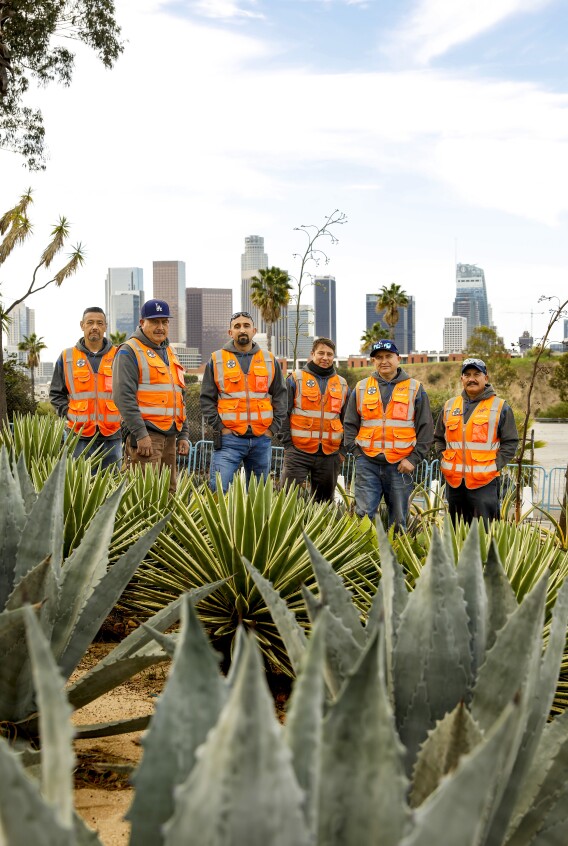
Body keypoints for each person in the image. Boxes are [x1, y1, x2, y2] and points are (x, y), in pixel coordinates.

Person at [343, 339, 433, 530]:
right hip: (367, 463)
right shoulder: (360, 388)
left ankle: (396, 558)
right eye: (378, 358)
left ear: (398, 359)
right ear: (373, 362)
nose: (384, 361)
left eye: (388, 356)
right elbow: (350, 424)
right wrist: (357, 454)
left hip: (400, 466)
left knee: (399, 519)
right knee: (363, 515)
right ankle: (365, 556)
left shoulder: (415, 388)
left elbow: (425, 428)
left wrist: (414, 459)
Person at [200, 310, 287, 493]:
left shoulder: (269, 360)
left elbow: (280, 395)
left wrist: (272, 429)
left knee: (258, 496)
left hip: (261, 439)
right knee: (218, 490)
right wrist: (220, 427)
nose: (242, 330)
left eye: (246, 326)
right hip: (228, 439)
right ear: (230, 332)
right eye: (237, 326)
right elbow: (207, 399)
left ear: (254, 330)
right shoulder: (217, 359)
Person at [112, 299, 189, 493]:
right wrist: (140, 434)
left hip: (170, 435)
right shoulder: (129, 351)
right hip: (147, 436)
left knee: (169, 492)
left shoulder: (170, 352)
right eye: (154, 322)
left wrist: (183, 434)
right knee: (144, 495)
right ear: (142, 322)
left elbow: (179, 395)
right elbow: (123, 397)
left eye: (164, 322)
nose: (160, 327)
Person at [434, 357, 519, 525]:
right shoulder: (449, 406)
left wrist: (496, 465)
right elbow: (438, 437)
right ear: (462, 379)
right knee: (456, 531)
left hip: (484, 483)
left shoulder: (500, 406)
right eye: (467, 375)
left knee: (484, 533)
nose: (471, 378)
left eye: (476, 374)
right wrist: (444, 459)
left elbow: (511, 442)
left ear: (485, 378)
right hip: (455, 483)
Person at [50, 307, 122, 469]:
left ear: (105, 326)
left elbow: (129, 392)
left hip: (112, 435)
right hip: (78, 436)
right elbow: (56, 393)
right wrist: (68, 414)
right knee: (80, 484)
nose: (94, 326)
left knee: (113, 485)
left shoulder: (120, 355)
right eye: (90, 323)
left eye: (99, 323)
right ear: (82, 325)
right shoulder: (67, 357)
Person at [279, 337, 349, 502]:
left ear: (334, 357)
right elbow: (282, 413)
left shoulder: (343, 384)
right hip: (298, 452)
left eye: (329, 354)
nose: (325, 357)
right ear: (312, 354)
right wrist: (288, 444)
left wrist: (343, 451)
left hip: (330, 454)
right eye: (321, 353)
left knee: (323, 505)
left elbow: (348, 420)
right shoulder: (295, 379)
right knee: (287, 500)